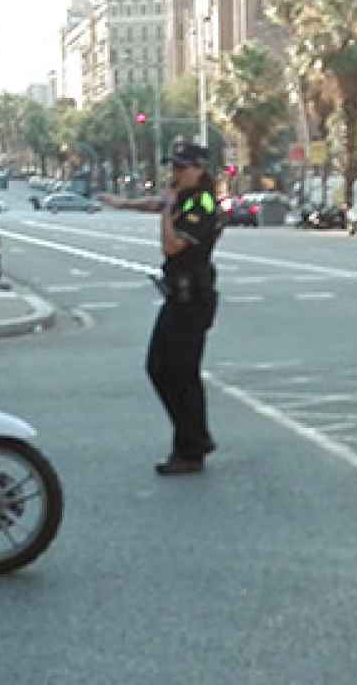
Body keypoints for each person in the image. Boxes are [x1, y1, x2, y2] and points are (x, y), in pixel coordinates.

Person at [146, 140, 223, 476]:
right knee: (162, 368)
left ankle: (191, 447)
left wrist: (165, 210)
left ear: (199, 169)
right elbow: (156, 203)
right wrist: (120, 202)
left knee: (179, 373)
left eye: (181, 168)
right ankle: (193, 440)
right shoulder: (187, 196)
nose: (174, 173)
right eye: (173, 167)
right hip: (179, 296)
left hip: (192, 298)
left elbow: (172, 246)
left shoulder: (202, 202)